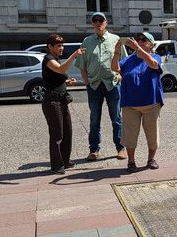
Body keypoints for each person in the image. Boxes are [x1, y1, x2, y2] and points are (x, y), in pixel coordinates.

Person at [74, 12, 128, 161]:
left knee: (116, 118)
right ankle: (94, 149)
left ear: (106, 23)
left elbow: (124, 62)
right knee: (94, 118)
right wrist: (87, 83)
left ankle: (121, 148)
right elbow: (82, 65)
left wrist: (120, 76)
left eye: (101, 20)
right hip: (95, 85)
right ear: (92, 24)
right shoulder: (87, 41)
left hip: (112, 84)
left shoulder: (115, 39)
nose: (98, 23)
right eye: (95, 21)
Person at [112, 32, 164, 173]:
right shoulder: (129, 59)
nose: (139, 41)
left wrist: (138, 49)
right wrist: (116, 53)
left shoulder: (155, 57)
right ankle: (131, 161)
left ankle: (151, 159)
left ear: (151, 44)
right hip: (130, 104)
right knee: (130, 134)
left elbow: (153, 65)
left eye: (143, 39)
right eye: (138, 39)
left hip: (151, 103)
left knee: (152, 133)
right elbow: (115, 68)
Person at [41, 34, 85, 174]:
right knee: (57, 134)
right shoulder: (48, 59)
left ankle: (65, 161)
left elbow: (53, 78)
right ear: (50, 47)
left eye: (62, 45)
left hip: (62, 100)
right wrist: (73, 56)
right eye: (58, 46)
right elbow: (60, 69)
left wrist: (66, 82)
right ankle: (56, 166)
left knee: (67, 131)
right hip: (52, 101)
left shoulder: (56, 59)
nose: (61, 48)